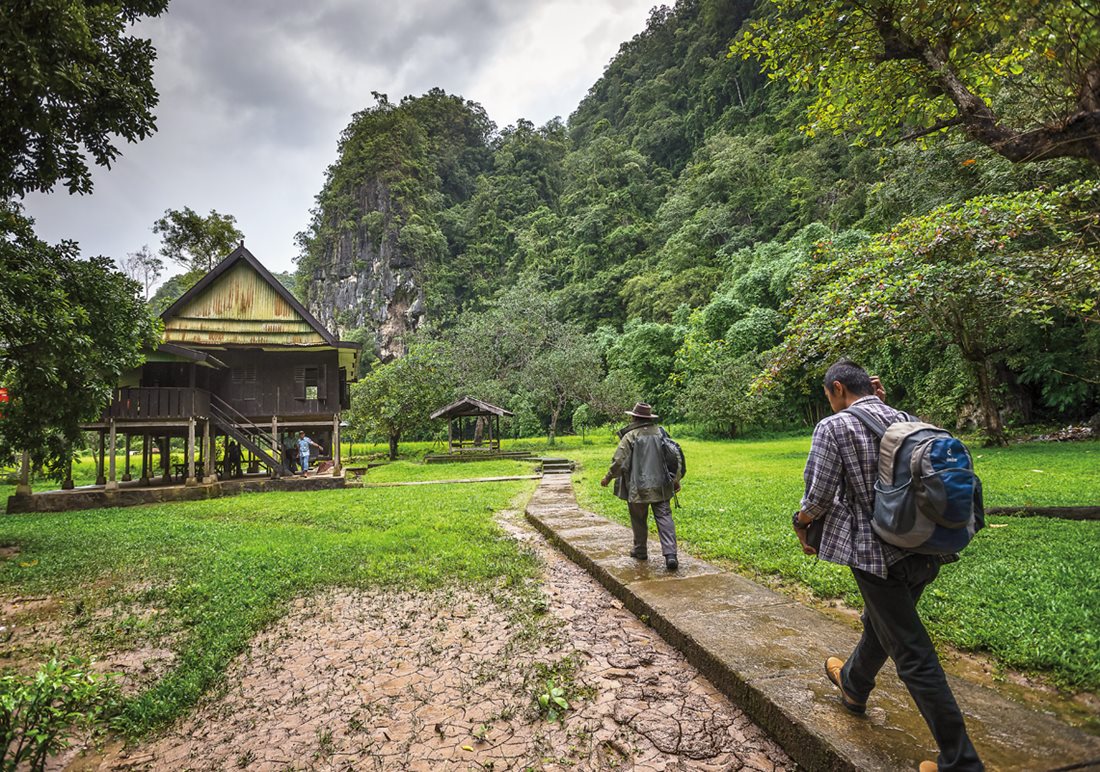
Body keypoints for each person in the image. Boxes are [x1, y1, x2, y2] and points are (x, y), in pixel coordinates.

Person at [793, 359, 983, 772]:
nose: (830, 404)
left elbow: (819, 496)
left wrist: (801, 523)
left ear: (837, 389)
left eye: (829, 396)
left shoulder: (834, 426)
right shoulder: (904, 418)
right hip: (928, 544)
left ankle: (962, 761)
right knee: (882, 622)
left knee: (912, 653)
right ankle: (854, 684)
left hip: (877, 556)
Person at [600, 402, 680, 571]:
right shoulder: (661, 433)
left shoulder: (630, 436)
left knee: (638, 518)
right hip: (662, 486)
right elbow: (673, 457)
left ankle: (640, 550)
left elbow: (619, 461)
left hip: (638, 487)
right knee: (665, 518)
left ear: (634, 417)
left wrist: (608, 477)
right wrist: (676, 479)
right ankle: (671, 555)